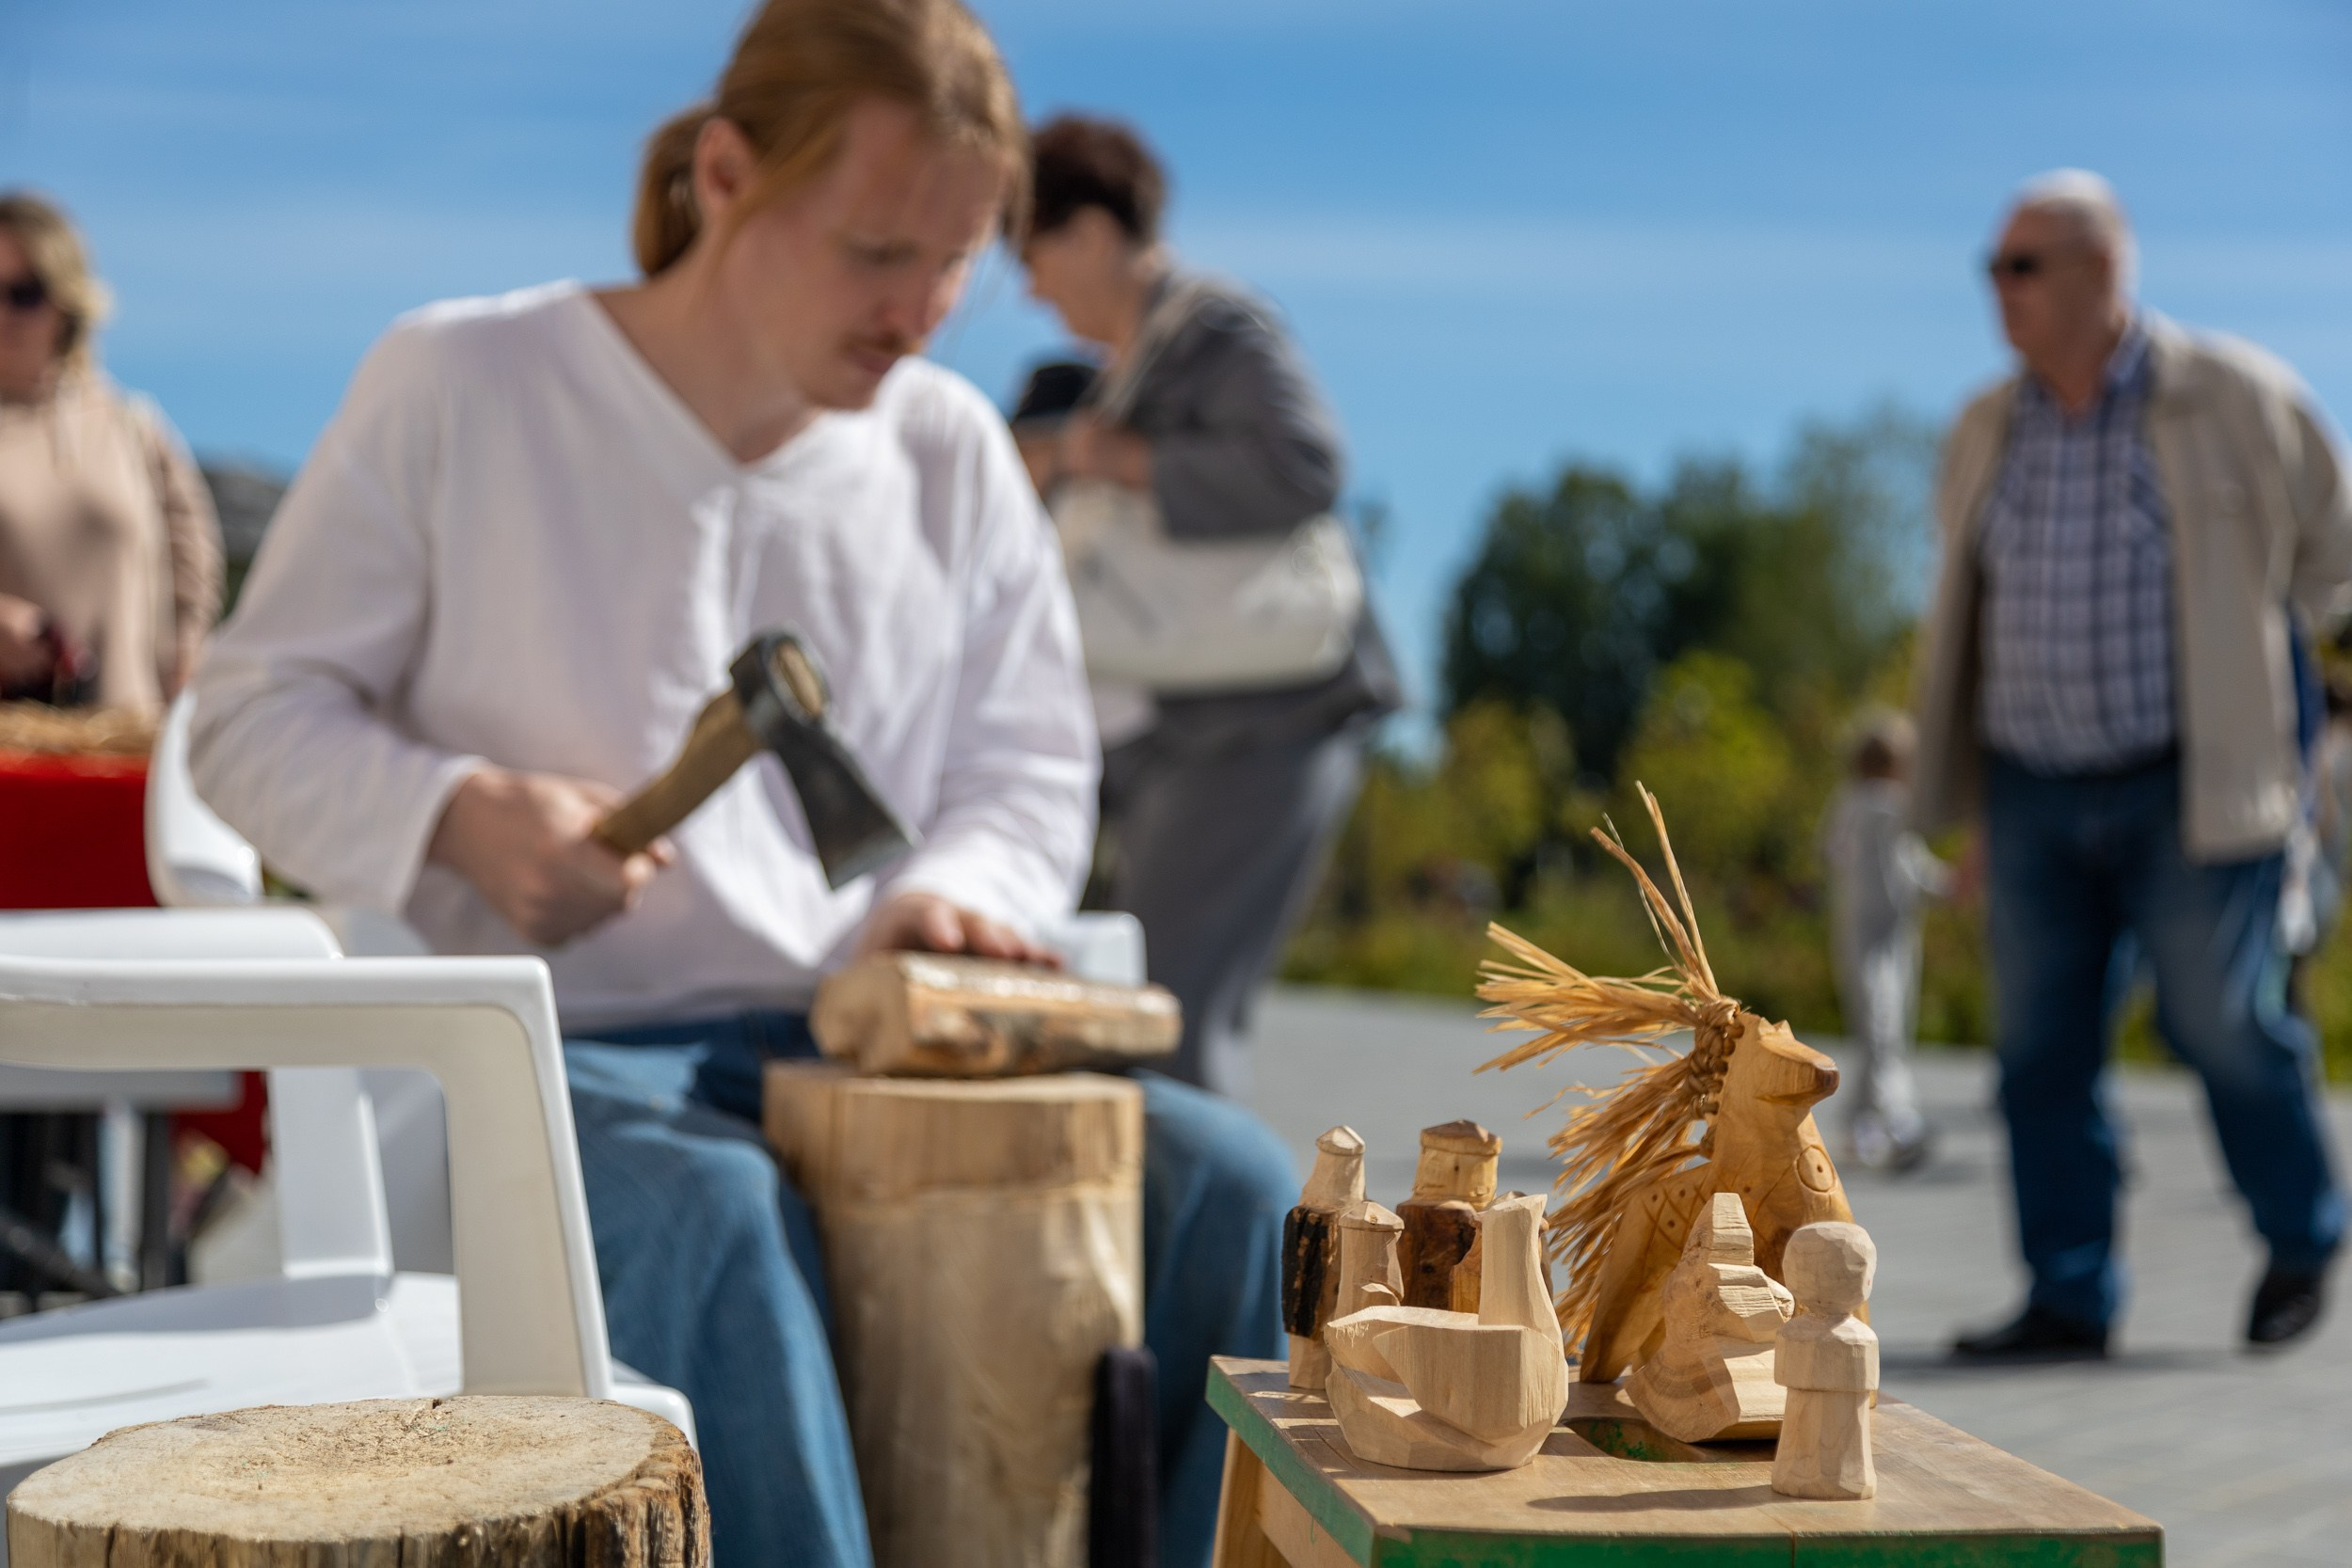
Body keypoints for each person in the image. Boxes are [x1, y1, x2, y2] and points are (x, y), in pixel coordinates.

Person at [187, 5, 1291, 1564]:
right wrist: (456, 813)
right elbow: (245, 716)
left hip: (865, 1037)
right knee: (719, 1223)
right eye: (874, 251)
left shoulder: (951, 454)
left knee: (1228, 1187)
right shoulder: (467, 382)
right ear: (725, 175)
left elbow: (1031, 764)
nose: (920, 312)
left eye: (955, 262)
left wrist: (948, 892)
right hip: (553, 1058)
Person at [1912, 170, 2352, 1358]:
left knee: (2220, 1023)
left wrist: (2310, 721)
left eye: (2019, 266)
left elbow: (2333, 563)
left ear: (2100, 272)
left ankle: (2302, 1231)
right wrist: (1974, 811)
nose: (1996, 290)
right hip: (2034, 784)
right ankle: (2069, 1292)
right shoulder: (1982, 428)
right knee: (2037, 1053)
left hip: (2192, 786)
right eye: (1993, 267)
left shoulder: (2239, 397)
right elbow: (1968, 612)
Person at [1017, 115, 1401, 1097]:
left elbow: (1308, 463)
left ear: (1093, 233)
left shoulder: (1214, 329)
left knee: (1171, 1031)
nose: (1029, 284)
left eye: (1033, 250)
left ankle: (1205, 1251)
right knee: (1147, 1019)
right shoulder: (1143, 358)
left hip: (1266, 725)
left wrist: (1106, 458)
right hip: (1203, 731)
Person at [0, 192, 220, 711]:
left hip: (123, 746)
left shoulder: (132, 428)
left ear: (66, 301)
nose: (3, 312)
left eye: (24, 293)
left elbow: (195, 580)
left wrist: (186, 673)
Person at [1819, 709, 1948, 1174]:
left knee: (1883, 1028)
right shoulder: (1876, 805)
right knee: (1882, 1027)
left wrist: (1951, 885)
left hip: (1889, 933)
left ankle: (1859, 1124)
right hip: (1873, 933)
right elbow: (1909, 857)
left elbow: (1912, 867)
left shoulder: (1859, 809)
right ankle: (1898, 1121)